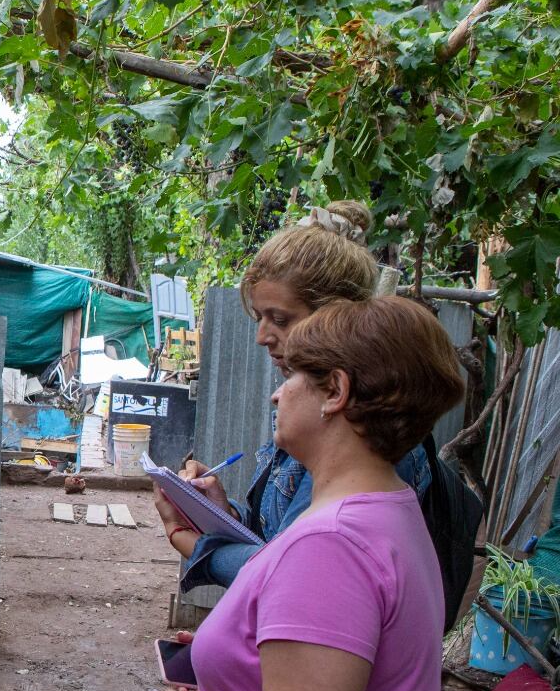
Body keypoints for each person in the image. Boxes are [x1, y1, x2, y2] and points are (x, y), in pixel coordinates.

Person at [138, 296, 479, 691]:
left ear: (335, 392)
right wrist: (231, 666)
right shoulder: (387, 513)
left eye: (293, 376)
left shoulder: (331, 543)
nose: (276, 395)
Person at [157, 201, 432, 588]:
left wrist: (188, 541)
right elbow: (278, 536)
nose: (262, 336)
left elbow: (295, 569)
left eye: (281, 319)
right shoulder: (312, 411)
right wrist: (223, 514)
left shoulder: (368, 434)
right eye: (260, 318)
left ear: (335, 317)